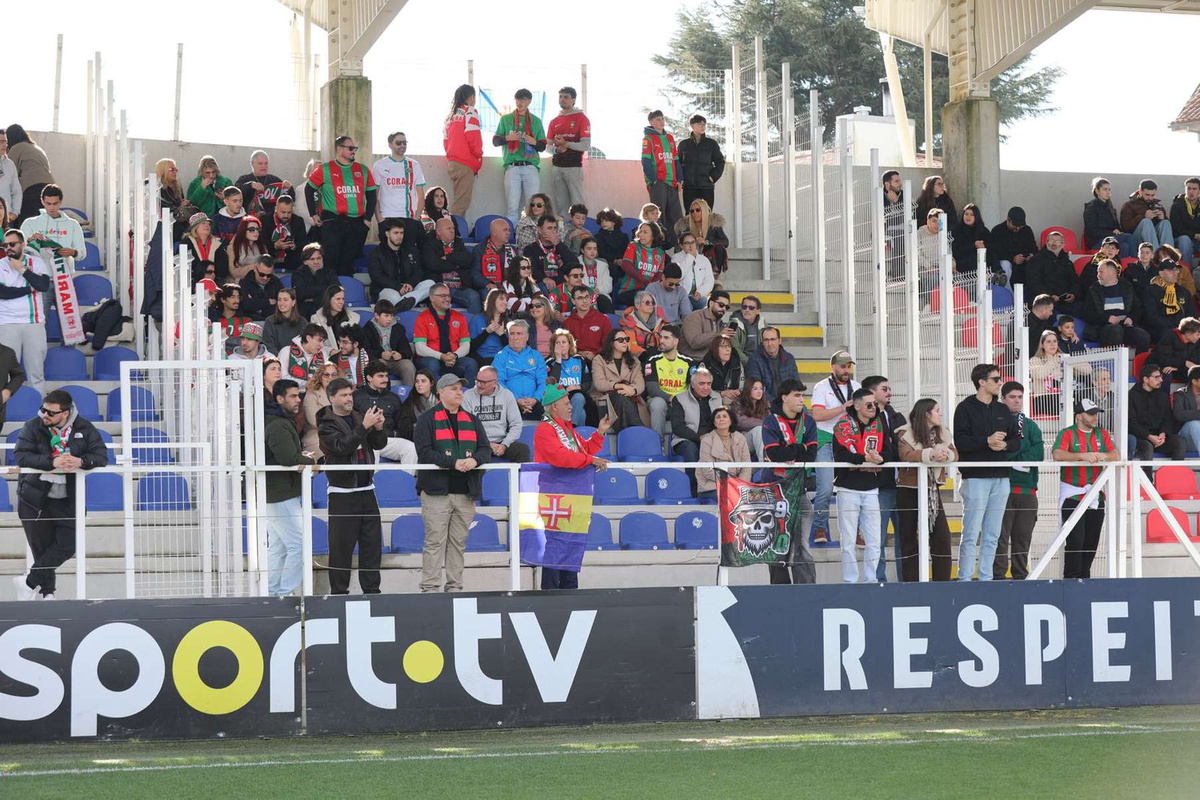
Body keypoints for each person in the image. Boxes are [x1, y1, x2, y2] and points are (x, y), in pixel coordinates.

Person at [10, 388, 107, 601]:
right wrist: (51, 463)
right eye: (43, 410)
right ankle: (47, 594)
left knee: (68, 545)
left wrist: (80, 462)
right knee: (42, 548)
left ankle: (28, 583)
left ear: (65, 413)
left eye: (50, 413)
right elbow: (21, 456)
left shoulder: (84, 427)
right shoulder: (32, 426)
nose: (44, 415)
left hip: (69, 499)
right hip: (35, 498)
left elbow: (101, 455)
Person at [414, 373, 491, 592]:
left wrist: (474, 460)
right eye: (454, 388)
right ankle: (429, 589)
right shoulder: (426, 419)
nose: (459, 392)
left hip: (466, 491)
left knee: (458, 543)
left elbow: (485, 450)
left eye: (460, 389)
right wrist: (453, 463)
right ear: (441, 392)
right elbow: (424, 453)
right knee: (435, 542)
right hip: (436, 491)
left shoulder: (473, 420)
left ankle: (455, 588)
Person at [532, 384, 610, 590]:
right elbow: (561, 457)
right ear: (553, 407)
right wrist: (591, 459)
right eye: (566, 403)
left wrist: (600, 433)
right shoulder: (545, 429)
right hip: (554, 495)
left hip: (571, 494)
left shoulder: (567, 429)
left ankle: (569, 591)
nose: (570, 407)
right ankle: (550, 593)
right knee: (556, 544)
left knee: (571, 542)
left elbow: (582, 451)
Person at [318, 377, 387, 594]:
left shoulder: (358, 416)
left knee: (372, 546)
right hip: (342, 493)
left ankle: (372, 592)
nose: (349, 399)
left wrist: (377, 428)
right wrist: (364, 426)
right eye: (344, 395)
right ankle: (339, 594)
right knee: (341, 549)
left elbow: (379, 444)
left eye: (350, 394)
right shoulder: (326, 423)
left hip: (367, 490)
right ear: (331, 398)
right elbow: (341, 447)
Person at [954, 363, 1022, 582]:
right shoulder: (964, 408)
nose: (999, 382)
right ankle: (964, 579)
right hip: (975, 477)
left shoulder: (1002, 409)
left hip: (1001, 476)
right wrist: (987, 441)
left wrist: (1004, 446)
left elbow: (1015, 440)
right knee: (971, 532)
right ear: (981, 382)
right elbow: (961, 442)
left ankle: (985, 578)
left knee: (993, 534)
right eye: (995, 379)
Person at [755, 378, 818, 584]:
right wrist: (800, 448)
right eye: (797, 395)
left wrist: (792, 451)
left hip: (799, 491)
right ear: (784, 398)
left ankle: (807, 593)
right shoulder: (770, 421)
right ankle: (780, 593)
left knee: (802, 546)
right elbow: (774, 454)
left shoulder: (808, 422)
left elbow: (812, 455)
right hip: (773, 491)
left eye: (802, 395)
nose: (802, 400)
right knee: (776, 545)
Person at [1053, 398, 1119, 579]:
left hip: (1096, 496)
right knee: (1075, 543)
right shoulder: (1067, 433)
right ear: (1079, 416)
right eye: (1091, 414)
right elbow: (1057, 454)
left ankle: (1084, 582)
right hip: (1073, 496)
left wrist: (1102, 455)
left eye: (1096, 413)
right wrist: (1081, 456)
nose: (1095, 417)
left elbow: (1115, 455)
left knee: (1091, 543)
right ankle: (1072, 582)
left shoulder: (1102, 433)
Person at [263, 379, 317, 598]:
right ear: (279, 398)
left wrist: (302, 458)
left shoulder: (277, 421)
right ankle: (285, 594)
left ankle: (272, 592)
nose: (298, 400)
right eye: (293, 396)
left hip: (277, 493)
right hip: (281, 493)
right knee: (299, 545)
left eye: (298, 395)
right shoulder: (277, 424)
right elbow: (287, 458)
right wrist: (308, 459)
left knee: (278, 547)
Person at [895, 397, 957, 582]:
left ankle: (941, 584)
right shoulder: (905, 433)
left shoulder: (943, 433)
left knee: (942, 539)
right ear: (926, 414)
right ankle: (912, 585)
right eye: (937, 410)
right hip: (908, 490)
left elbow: (955, 453)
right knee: (909, 539)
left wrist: (946, 454)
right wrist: (930, 454)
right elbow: (905, 455)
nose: (941, 414)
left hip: (932, 492)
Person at [832, 389, 887, 583]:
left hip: (872, 488)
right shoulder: (842, 425)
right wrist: (864, 458)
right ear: (857, 406)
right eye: (869, 405)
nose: (874, 408)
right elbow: (841, 456)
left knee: (874, 540)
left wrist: (881, 459)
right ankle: (850, 581)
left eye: (875, 404)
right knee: (847, 541)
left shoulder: (880, 423)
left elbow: (889, 450)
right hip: (847, 488)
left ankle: (871, 580)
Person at [304, 135, 377, 276]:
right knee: (330, 261)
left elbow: (372, 195)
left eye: (354, 148)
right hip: (333, 222)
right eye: (350, 148)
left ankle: (345, 295)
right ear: (339, 149)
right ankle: (329, 294)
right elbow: (309, 188)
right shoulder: (325, 169)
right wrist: (313, 213)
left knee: (348, 263)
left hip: (357, 223)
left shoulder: (363, 170)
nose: (353, 151)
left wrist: (368, 219)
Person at [808, 350, 860, 545]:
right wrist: (844, 408)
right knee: (825, 487)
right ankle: (820, 526)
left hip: (849, 440)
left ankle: (856, 530)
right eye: (842, 366)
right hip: (826, 440)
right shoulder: (821, 386)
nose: (846, 370)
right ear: (833, 367)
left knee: (855, 488)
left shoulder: (856, 386)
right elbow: (818, 415)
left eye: (849, 366)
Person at [992, 382, 1042, 581]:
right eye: (1012, 397)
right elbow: (998, 454)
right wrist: (1024, 445)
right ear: (1003, 398)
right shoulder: (996, 422)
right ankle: (998, 577)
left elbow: (1038, 454)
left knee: (1023, 539)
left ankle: (1020, 577)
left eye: (1020, 397)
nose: (1017, 401)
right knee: (1000, 538)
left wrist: (1012, 449)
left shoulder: (1030, 425)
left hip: (1028, 491)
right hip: (1004, 487)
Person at [862, 375, 906, 582]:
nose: (889, 392)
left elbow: (902, 447)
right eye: (884, 389)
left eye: (889, 388)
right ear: (872, 393)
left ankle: (905, 580)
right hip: (879, 486)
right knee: (876, 538)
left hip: (902, 485)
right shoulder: (865, 419)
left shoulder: (897, 416)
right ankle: (879, 581)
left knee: (904, 539)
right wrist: (888, 444)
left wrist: (889, 444)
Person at [0, 229, 50, 394]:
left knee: (36, 373)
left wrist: (22, 269)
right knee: (5, 374)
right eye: (5, 245)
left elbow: (43, 286)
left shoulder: (37, 262)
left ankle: (41, 414)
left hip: (33, 323)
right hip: (7, 324)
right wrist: (30, 289)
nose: (9, 248)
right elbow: (3, 293)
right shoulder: (1, 264)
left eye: (12, 244)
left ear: (23, 244)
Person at [494, 88, 547, 224]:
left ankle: (533, 236)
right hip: (512, 167)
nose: (520, 102)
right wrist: (508, 138)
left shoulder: (535, 121)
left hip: (530, 166)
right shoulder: (506, 119)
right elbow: (495, 141)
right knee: (512, 207)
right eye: (518, 99)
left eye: (523, 99)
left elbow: (542, 146)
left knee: (535, 207)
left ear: (529, 101)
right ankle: (511, 238)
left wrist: (533, 142)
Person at [352, 361, 418, 464]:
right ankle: (371, 480)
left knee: (410, 448)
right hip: (365, 441)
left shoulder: (393, 398)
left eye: (386, 376)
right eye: (380, 376)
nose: (386, 379)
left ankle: (405, 479)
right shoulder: (356, 397)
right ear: (369, 378)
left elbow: (401, 422)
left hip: (388, 440)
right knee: (372, 449)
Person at [413, 283, 478, 385]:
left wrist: (455, 356)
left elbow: (465, 344)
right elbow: (420, 348)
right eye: (443, 296)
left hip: (453, 359)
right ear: (432, 298)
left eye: (448, 295)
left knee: (471, 363)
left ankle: (467, 398)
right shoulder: (422, 318)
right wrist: (441, 356)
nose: (447, 299)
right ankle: (439, 396)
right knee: (432, 364)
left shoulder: (459, 317)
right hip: (432, 359)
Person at [463, 365, 530, 463]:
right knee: (473, 454)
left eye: (484, 382)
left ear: (495, 382)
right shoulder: (468, 396)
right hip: (478, 443)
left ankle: (524, 478)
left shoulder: (506, 395)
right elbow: (466, 427)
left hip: (502, 441)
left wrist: (504, 444)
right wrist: (487, 444)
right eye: (478, 381)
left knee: (523, 450)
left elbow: (516, 424)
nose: (479, 385)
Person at [1082, 259, 1150, 351]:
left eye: (1101, 272)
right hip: (1104, 327)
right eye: (1098, 272)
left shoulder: (1127, 287)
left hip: (1125, 326)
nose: (1098, 275)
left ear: (1112, 273)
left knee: (1143, 336)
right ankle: (1117, 363)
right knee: (1116, 330)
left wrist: (1131, 318)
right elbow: (1087, 314)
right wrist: (1106, 318)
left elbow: (1137, 307)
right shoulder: (1094, 289)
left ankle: (1141, 365)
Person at [372, 132, 426, 244]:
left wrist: (416, 217)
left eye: (404, 143)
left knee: (409, 254)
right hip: (387, 217)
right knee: (388, 255)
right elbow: (374, 195)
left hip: (409, 218)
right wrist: (379, 219)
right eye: (398, 143)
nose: (402, 145)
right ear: (390, 145)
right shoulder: (380, 165)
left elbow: (420, 194)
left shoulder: (414, 165)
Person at [591, 328, 650, 429]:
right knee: (619, 396)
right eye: (620, 340)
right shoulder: (599, 360)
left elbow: (640, 384)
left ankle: (630, 432)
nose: (625, 342)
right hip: (606, 399)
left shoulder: (634, 361)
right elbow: (599, 384)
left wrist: (632, 390)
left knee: (622, 397)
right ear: (611, 343)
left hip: (630, 397)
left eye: (626, 339)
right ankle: (639, 429)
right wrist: (619, 386)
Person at [1130, 362, 1186, 463]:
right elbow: (1131, 423)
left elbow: (1168, 419)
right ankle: (1147, 479)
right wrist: (1149, 436)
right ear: (1146, 379)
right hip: (1141, 437)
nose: (1161, 380)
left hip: (1159, 438)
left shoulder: (1163, 396)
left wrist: (1163, 434)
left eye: (1161, 377)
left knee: (1179, 442)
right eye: (1156, 377)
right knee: (1147, 447)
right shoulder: (1131, 396)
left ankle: (1175, 476)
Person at [644, 325, 694, 439]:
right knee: (657, 403)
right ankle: (657, 444)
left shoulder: (688, 362)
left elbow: (694, 386)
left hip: (682, 402)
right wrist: (671, 398)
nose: (661, 341)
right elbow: (651, 388)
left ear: (676, 341)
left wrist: (680, 400)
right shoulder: (653, 360)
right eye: (661, 337)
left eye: (666, 338)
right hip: (662, 402)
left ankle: (689, 442)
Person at [493, 318, 548, 421]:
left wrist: (535, 399)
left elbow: (543, 382)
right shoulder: (501, 356)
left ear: (527, 336)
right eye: (512, 334)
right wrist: (516, 399)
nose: (515, 337)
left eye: (519, 334)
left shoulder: (536, 356)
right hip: (509, 401)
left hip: (535, 402)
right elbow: (498, 382)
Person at [546, 86, 591, 212]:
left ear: (573, 100)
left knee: (577, 204)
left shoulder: (582, 119)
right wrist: (557, 150)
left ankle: (580, 231)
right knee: (560, 205)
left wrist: (566, 143)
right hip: (557, 167)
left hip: (574, 167)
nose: (562, 100)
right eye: (560, 97)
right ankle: (563, 230)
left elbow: (585, 145)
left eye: (566, 97)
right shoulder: (554, 121)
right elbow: (547, 145)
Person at [368, 217, 430, 309]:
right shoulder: (377, 253)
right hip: (386, 289)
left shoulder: (411, 250)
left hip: (409, 288)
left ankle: (406, 302)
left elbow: (419, 271)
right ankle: (408, 301)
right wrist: (398, 286)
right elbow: (377, 276)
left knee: (430, 284)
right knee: (394, 297)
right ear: (387, 234)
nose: (399, 236)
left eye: (401, 233)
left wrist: (410, 283)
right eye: (396, 233)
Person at [422, 216, 479, 313]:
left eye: (453, 228)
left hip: (460, 286)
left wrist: (448, 258)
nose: (452, 231)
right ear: (439, 232)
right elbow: (434, 265)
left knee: (474, 297)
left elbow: (469, 259)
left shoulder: (458, 243)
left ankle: (472, 326)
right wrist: (457, 264)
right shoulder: (429, 244)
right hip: (440, 286)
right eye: (449, 228)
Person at [443, 84, 484, 217]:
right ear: (471, 97)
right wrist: (478, 154)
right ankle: (455, 233)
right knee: (461, 204)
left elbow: (445, 141)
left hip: (453, 162)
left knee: (458, 200)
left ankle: (454, 231)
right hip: (465, 163)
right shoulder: (470, 111)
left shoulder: (450, 116)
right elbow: (473, 137)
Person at [669, 365, 721, 471]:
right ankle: (693, 486)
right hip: (686, 439)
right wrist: (699, 438)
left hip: (712, 438)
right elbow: (678, 427)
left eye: (709, 384)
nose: (706, 387)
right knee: (690, 449)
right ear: (692, 384)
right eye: (702, 384)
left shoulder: (716, 398)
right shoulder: (679, 399)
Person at [1029, 329, 1091, 417]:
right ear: (1042, 345)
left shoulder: (1063, 359)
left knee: (1081, 403)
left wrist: (1069, 360)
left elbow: (1088, 370)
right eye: (1048, 341)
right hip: (1044, 399)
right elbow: (1040, 375)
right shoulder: (1035, 360)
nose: (1052, 344)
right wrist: (1054, 359)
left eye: (1054, 341)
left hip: (1063, 397)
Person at [641, 110, 684, 236]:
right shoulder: (648, 138)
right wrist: (653, 179)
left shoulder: (670, 138)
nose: (661, 121)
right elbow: (645, 161)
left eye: (662, 119)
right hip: (658, 181)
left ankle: (678, 242)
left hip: (672, 182)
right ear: (651, 122)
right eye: (657, 119)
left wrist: (679, 178)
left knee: (676, 214)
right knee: (659, 214)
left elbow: (676, 160)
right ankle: (661, 242)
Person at [20, 184, 84, 263]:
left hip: (64, 272)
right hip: (38, 273)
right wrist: (28, 240)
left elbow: (82, 254)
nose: (52, 207)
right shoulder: (29, 223)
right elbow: (19, 252)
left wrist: (73, 252)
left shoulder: (73, 224)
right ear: (42, 201)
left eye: (55, 203)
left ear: (60, 201)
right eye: (48, 203)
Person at [745, 326, 801, 416]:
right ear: (762, 342)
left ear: (779, 341)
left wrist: (789, 401)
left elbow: (796, 384)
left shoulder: (789, 358)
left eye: (773, 339)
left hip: (787, 402)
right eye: (766, 340)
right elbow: (755, 387)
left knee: (804, 414)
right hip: (765, 404)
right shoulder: (754, 360)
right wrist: (776, 403)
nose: (770, 343)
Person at [358, 298, 416, 385]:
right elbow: (364, 351)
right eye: (386, 316)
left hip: (395, 362)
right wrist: (380, 354)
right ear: (377, 316)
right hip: (378, 360)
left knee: (408, 365)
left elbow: (407, 350)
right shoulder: (367, 330)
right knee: (379, 364)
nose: (389, 319)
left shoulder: (398, 328)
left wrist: (401, 355)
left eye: (391, 316)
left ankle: (410, 394)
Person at [696, 406, 748, 502]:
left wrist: (739, 485)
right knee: (733, 499)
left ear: (731, 421)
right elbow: (708, 471)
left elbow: (746, 466)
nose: (721, 419)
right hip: (711, 488)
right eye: (718, 417)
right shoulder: (707, 440)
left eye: (724, 416)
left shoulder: (740, 438)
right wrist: (730, 483)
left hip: (737, 486)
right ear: (714, 423)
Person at [6, 126, 53, 229]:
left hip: (32, 189)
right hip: (50, 188)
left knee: (25, 227)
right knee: (43, 226)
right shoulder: (36, 148)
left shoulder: (16, 148)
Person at [677, 114, 726, 212]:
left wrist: (712, 177)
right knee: (690, 215)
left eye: (704, 124)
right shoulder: (684, 144)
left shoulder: (711, 144)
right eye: (699, 124)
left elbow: (720, 162)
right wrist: (680, 180)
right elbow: (678, 164)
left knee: (707, 214)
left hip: (706, 187)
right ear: (692, 126)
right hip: (689, 188)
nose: (703, 126)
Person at [1025, 231, 1080, 315]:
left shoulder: (1068, 262)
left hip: (1065, 301)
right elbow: (1033, 282)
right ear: (1046, 242)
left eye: (1057, 241)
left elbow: (1075, 280)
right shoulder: (1036, 260)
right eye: (1051, 240)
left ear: (1062, 244)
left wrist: (1073, 294)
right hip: (1044, 301)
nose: (1053, 243)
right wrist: (1049, 296)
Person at [615, 223, 668, 307]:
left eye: (645, 232)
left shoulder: (660, 253)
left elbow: (659, 274)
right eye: (640, 231)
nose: (641, 234)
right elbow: (626, 265)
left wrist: (652, 287)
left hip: (649, 292)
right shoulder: (633, 245)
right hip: (629, 291)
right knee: (646, 299)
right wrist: (646, 282)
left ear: (653, 235)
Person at [524, 214, 578, 294]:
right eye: (549, 228)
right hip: (544, 286)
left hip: (563, 285)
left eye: (554, 228)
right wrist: (543, 278)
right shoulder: (530, 249)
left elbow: (575, 264)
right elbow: (531, 270)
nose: (553, 231)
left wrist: (558, 243)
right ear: (539, 230)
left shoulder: (560, 247)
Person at [546, 329, 590, 427]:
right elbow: (552, 384)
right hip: (559, 398)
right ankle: (571, 429)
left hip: (576, 395)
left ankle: (570, 430)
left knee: (579, 399)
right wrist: (558, 360)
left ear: (570, 345)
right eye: (557, 342)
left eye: (564, 342)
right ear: (554, 346)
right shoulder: (549, 362)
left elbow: (588, 382)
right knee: (581, 414)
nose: (560, 345)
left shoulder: (579, 359)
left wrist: (579, 387)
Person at [675, 199, 730, 275]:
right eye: (692, 211)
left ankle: (715, 274)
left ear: (704, 211)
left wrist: (706, 242)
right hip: (691, 255)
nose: (694, 213)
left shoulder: (714, 224)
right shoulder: (685, 226)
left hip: (708, 255)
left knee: (719, 248)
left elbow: (725, 242)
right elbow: (678, 246)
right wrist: (692, 243)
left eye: (698, 210)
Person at [234, 150, 292, 222]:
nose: (264, 166)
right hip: (250, 220)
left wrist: (290, 188)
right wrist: (251, 185)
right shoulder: (245, 179)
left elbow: (289, 199)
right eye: (260, 163)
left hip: (272, 222)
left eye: (266, 163)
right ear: (252, 164)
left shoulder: (275, 180)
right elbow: (235, 192)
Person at [1084, 177, 1135, 257]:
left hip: (1111, 239)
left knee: (1125, 246)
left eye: (1109, 190)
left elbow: (1117, 227)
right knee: (1128, 237)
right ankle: (1137, 264)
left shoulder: (1111, 208)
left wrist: (1118, 232)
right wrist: (1112, 233)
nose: (1108, 192)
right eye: (1105, 189)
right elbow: (1092, 230)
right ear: (1097, 191)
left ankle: (1119, 268)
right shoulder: (1091, 208)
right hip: (1097, 242)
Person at [1145, 259, 1193, 342]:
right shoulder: (1151, 291)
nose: (1174, 273)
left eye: (1176, 270)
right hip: (1160, 329)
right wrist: (1174, 328)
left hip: (1183, 328)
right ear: (1161, 274)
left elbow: (1191, 314)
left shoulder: (1184, 292)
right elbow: (1152, 316)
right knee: (1170, 335)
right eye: (1170, 270)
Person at [987, 206, 1038, 285]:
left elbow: (1033, 248)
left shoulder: (1027, 230)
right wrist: (1013, 258)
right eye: (1015, 225)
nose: (1017, 228)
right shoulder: (997, 231)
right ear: (1008, 220)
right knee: (1005, 264)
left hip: (1024, 263)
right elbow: (995, 252)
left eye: (1020, 226)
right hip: (1007, 262)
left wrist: (1030, 256)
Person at [471, 217, 519, 299]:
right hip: (487, 286)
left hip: (508, 286)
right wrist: (487, 284)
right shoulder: (479, 250)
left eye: (509, 230)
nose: (509, 233)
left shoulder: (513, 250)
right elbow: (475, 274)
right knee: (491, 295)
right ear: (494, 232)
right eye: (505, 230)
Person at [1120, 179, 1174, 250]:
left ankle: (1168, 256)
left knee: (1165, 223)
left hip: (1155, 239)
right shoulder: (1129, 205)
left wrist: (1162, 218)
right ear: (1140, 191)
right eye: (1147, 195)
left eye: (1152, 195)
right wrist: (1143, 216)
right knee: (1146, 222)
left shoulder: (1157, 205)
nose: (1150, 198)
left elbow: (1167, 229)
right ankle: (1154, 256)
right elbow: (1125, 228)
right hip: (1136, 240)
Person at [564, 284, 612, 362]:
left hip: (600, 359)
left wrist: (595, 354)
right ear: (573, 301)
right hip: (576, 360)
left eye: (587, 297)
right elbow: (566, 346)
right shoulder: (567, 323)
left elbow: (608, 343)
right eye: (580, 298)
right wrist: (579, 353)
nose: (585, 301)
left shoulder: (603, 319)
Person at [680, 290, 734, 360]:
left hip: (711, 361)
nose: (723, 309)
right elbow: (694, 343)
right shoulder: (694, 317)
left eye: (726, 307)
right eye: (721, 305)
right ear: (711, 303)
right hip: (691, 360)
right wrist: (718, 335)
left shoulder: (720, 323)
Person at [292, 242, 340, 318]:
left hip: (326, 311)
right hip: (304, 313)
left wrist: (313, 299)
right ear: (305, 262)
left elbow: (335, 292)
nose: (316, 262)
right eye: (312, 259)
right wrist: (324, 288)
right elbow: (300, 293)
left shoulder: (330, 272)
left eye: (319, 258)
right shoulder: (298, 274)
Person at [302, 364, 338, 458]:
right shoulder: (311, 394)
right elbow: (315, 421)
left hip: (341, 437)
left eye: (334, 375)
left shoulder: (344, 394)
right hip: (316, 438)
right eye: (326, 374)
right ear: (320, 377)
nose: (330, 377)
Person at [672, 231, 715, 311]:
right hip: (682, 295)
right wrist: (690, 257)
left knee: (706, 303)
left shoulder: (704, 260)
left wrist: (700, 292)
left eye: (693, 242)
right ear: (681, 246)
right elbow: (678, 276)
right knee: (687, 307)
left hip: (698, 295)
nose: (691, 246)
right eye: (687, 243)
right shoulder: (676, 258)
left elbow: (709, 281)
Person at [1156, 316, 1200, 391]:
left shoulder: (1195, 343)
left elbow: (1194, 362)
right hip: (1161, 367)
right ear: (1188, 334)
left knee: (1195, 376)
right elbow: (1164, 360)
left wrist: (1178, 368)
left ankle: (1191, 401)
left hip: (1179, 369)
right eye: (1197, 334)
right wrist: (1184, 363)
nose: (1199, 337)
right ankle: (1164, 401)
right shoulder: (1169, 337)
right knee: (1167, 373)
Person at [266, 195, 308, 272]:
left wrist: (294, 246)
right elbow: (261, 244)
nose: (286, 215)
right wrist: (275, 245)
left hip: (292, 261)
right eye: (283, 212)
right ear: (276, 209)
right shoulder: (265, 220)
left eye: (289, 212)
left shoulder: (298, 221)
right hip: (269, 259)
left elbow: (304, 243)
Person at [469, 288, 510, 365]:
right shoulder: (477, 319)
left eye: (506, 300)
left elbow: (513, 349)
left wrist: (502, 335)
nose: (505, 302)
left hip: (503, 359)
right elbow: (471, 348)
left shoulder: (509, 322)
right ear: (492, 301)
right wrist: (486, 332)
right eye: (501, 299)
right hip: (483, 358)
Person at [620, 290, 666, 356]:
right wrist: (644, 353)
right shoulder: (629, 322)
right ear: (637, 305)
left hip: (660, 353)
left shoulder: (660, 319)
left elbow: (668, 337)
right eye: (647, 302)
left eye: (653, 303)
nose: (651, 305)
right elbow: (630, 344)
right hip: (640, 357)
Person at [185, 155, 232, 220]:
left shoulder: (226, 182)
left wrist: (223, 198)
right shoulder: (195, 183)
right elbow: (191, 204)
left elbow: (234, 202)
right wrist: (201, 188)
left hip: (224, 218)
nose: (211, 176)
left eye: (213, 172)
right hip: (203, 219)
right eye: (207, 173)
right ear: (202, 172)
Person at [730, 377, 767, 459]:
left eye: (761, 388)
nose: (759, 391)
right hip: (741, 440)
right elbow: (741, 422)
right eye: (755, 389)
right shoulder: (738, 402)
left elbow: (771, 423)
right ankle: (765, 465)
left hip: (761, 440)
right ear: (748, 389)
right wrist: (764, 423)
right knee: (758, 430)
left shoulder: (765, 404)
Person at [239, 255, 283, 321]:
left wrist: (257, 305)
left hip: (272, 321)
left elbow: (282, 305)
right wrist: (268, 302)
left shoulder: (276, 282)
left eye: (269, 275)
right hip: (252, 321)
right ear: (255, 269)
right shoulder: (245, 282)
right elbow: (245, 305)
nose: (265, 278)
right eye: (261, 274)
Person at [397, 369, 437, 440]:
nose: (419, 384)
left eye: (423, 381)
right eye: (417, 381)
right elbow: (404, 428)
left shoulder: (441, 400)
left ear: (431, 383)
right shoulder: (409, 402)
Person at [262, 288, 305, 356]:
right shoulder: (270, 321)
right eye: (279, 300)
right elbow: (269, 345)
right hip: (276, 360)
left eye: (285, 300)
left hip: (298, 360)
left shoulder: (302, 322)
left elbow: (305, 344)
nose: (281, 303)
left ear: (293, 302)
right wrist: (280, 358)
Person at [1170, 177, 1200, 268]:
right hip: (1181, 240)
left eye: (1194, 189)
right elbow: (1176, 230)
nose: (1191, 192)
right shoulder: (1177, 206)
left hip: (1197, 240)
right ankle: (1187, 275)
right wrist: (1194, 235)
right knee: (1185, 239)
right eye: (1188, 188)